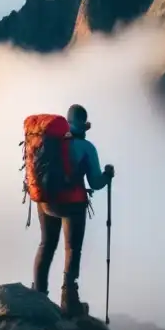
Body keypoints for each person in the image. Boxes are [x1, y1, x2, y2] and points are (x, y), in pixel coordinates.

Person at [32, 104, 114, 317]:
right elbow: (95, 182)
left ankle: (38, 294)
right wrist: (107, 175)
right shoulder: (86, 147)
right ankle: (69, 301)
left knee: (46, 244)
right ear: (84, 124)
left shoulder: (51, 141)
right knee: (72, 249)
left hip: (45, 201)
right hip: (72, 205)